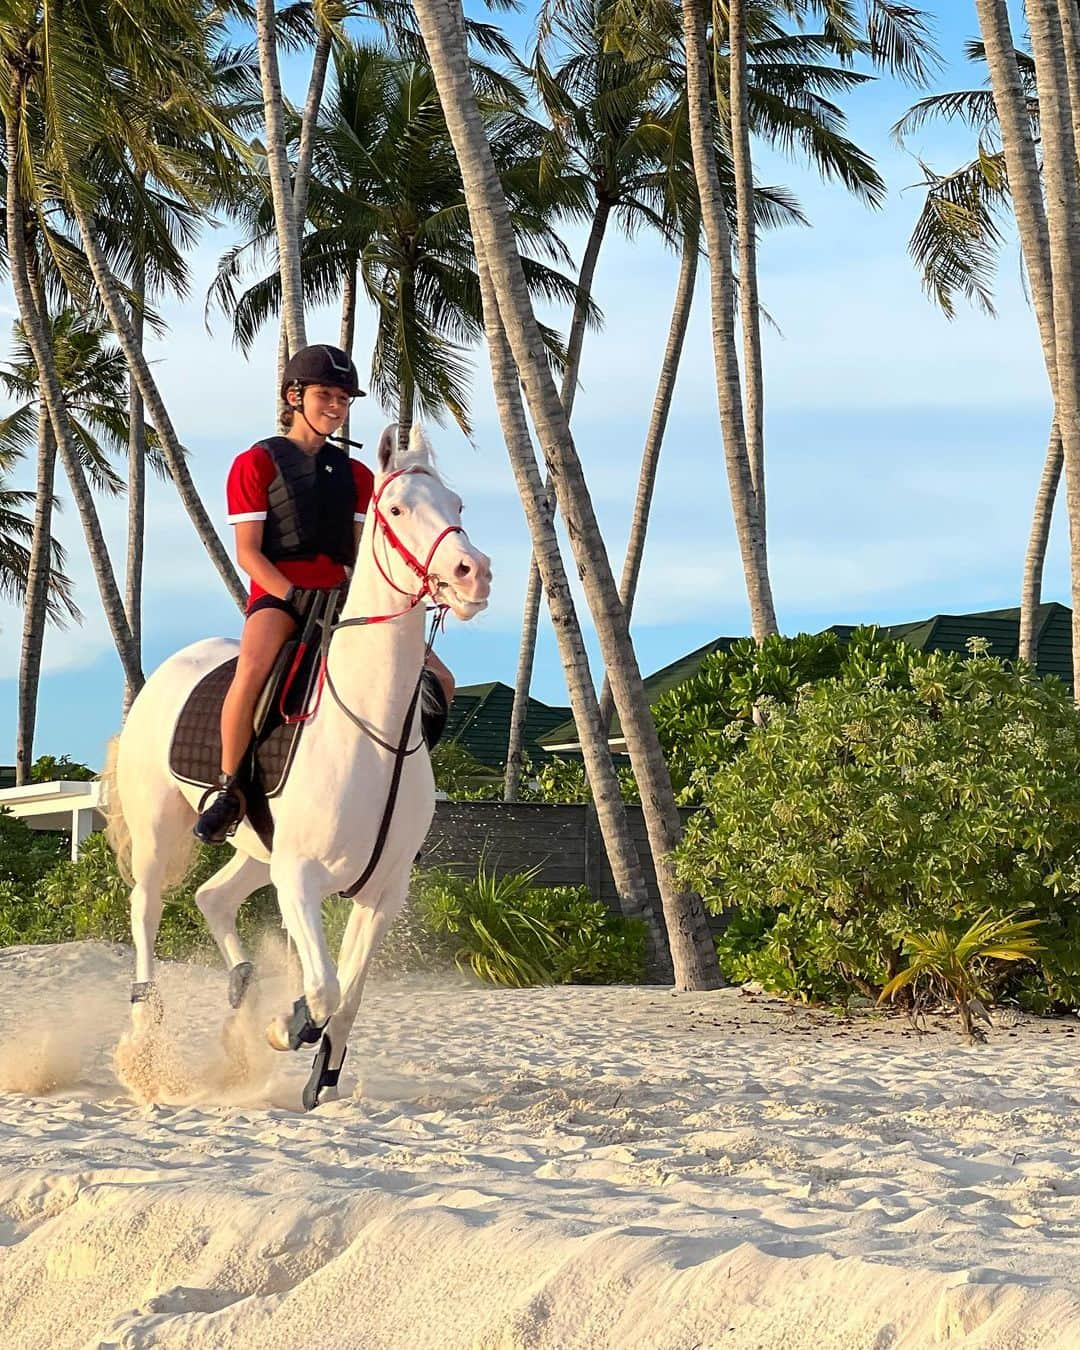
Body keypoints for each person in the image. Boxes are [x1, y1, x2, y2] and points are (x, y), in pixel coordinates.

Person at [194, 344, 454, 844]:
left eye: (343, 398)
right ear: (295, 396)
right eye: (325, 396)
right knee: (252, 672)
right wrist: (293, 595)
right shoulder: (255, 464)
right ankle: (229, 790)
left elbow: (361, 553)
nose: (336, 406)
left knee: (440, 678)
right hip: (281, 595)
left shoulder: (357, 476)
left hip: (343, 598)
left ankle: (396, 790)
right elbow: (249, 553)